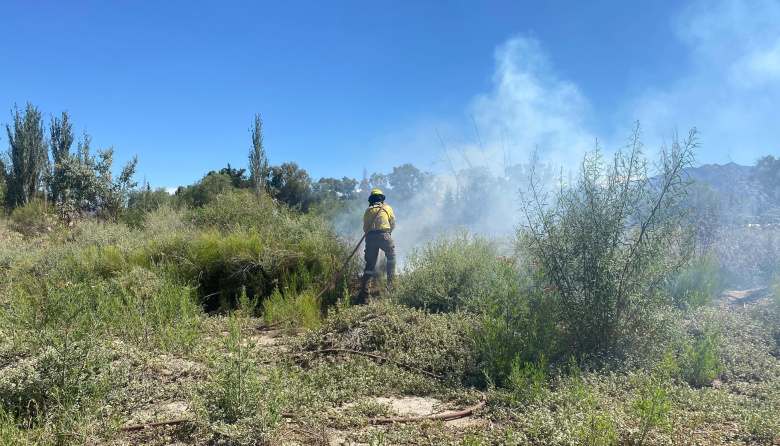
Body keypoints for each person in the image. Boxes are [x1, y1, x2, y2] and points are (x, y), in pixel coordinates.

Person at [359, 189, 396, 301]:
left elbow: (365, 228)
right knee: (391, 257)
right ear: (381, 198)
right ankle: (391, 287)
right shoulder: (387, 208)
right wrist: (387, 234)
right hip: (384, 235)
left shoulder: (368, 210)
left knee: (370, 265)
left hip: (370, 237)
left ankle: (364, 294)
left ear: (371, 200)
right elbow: (392, 223)